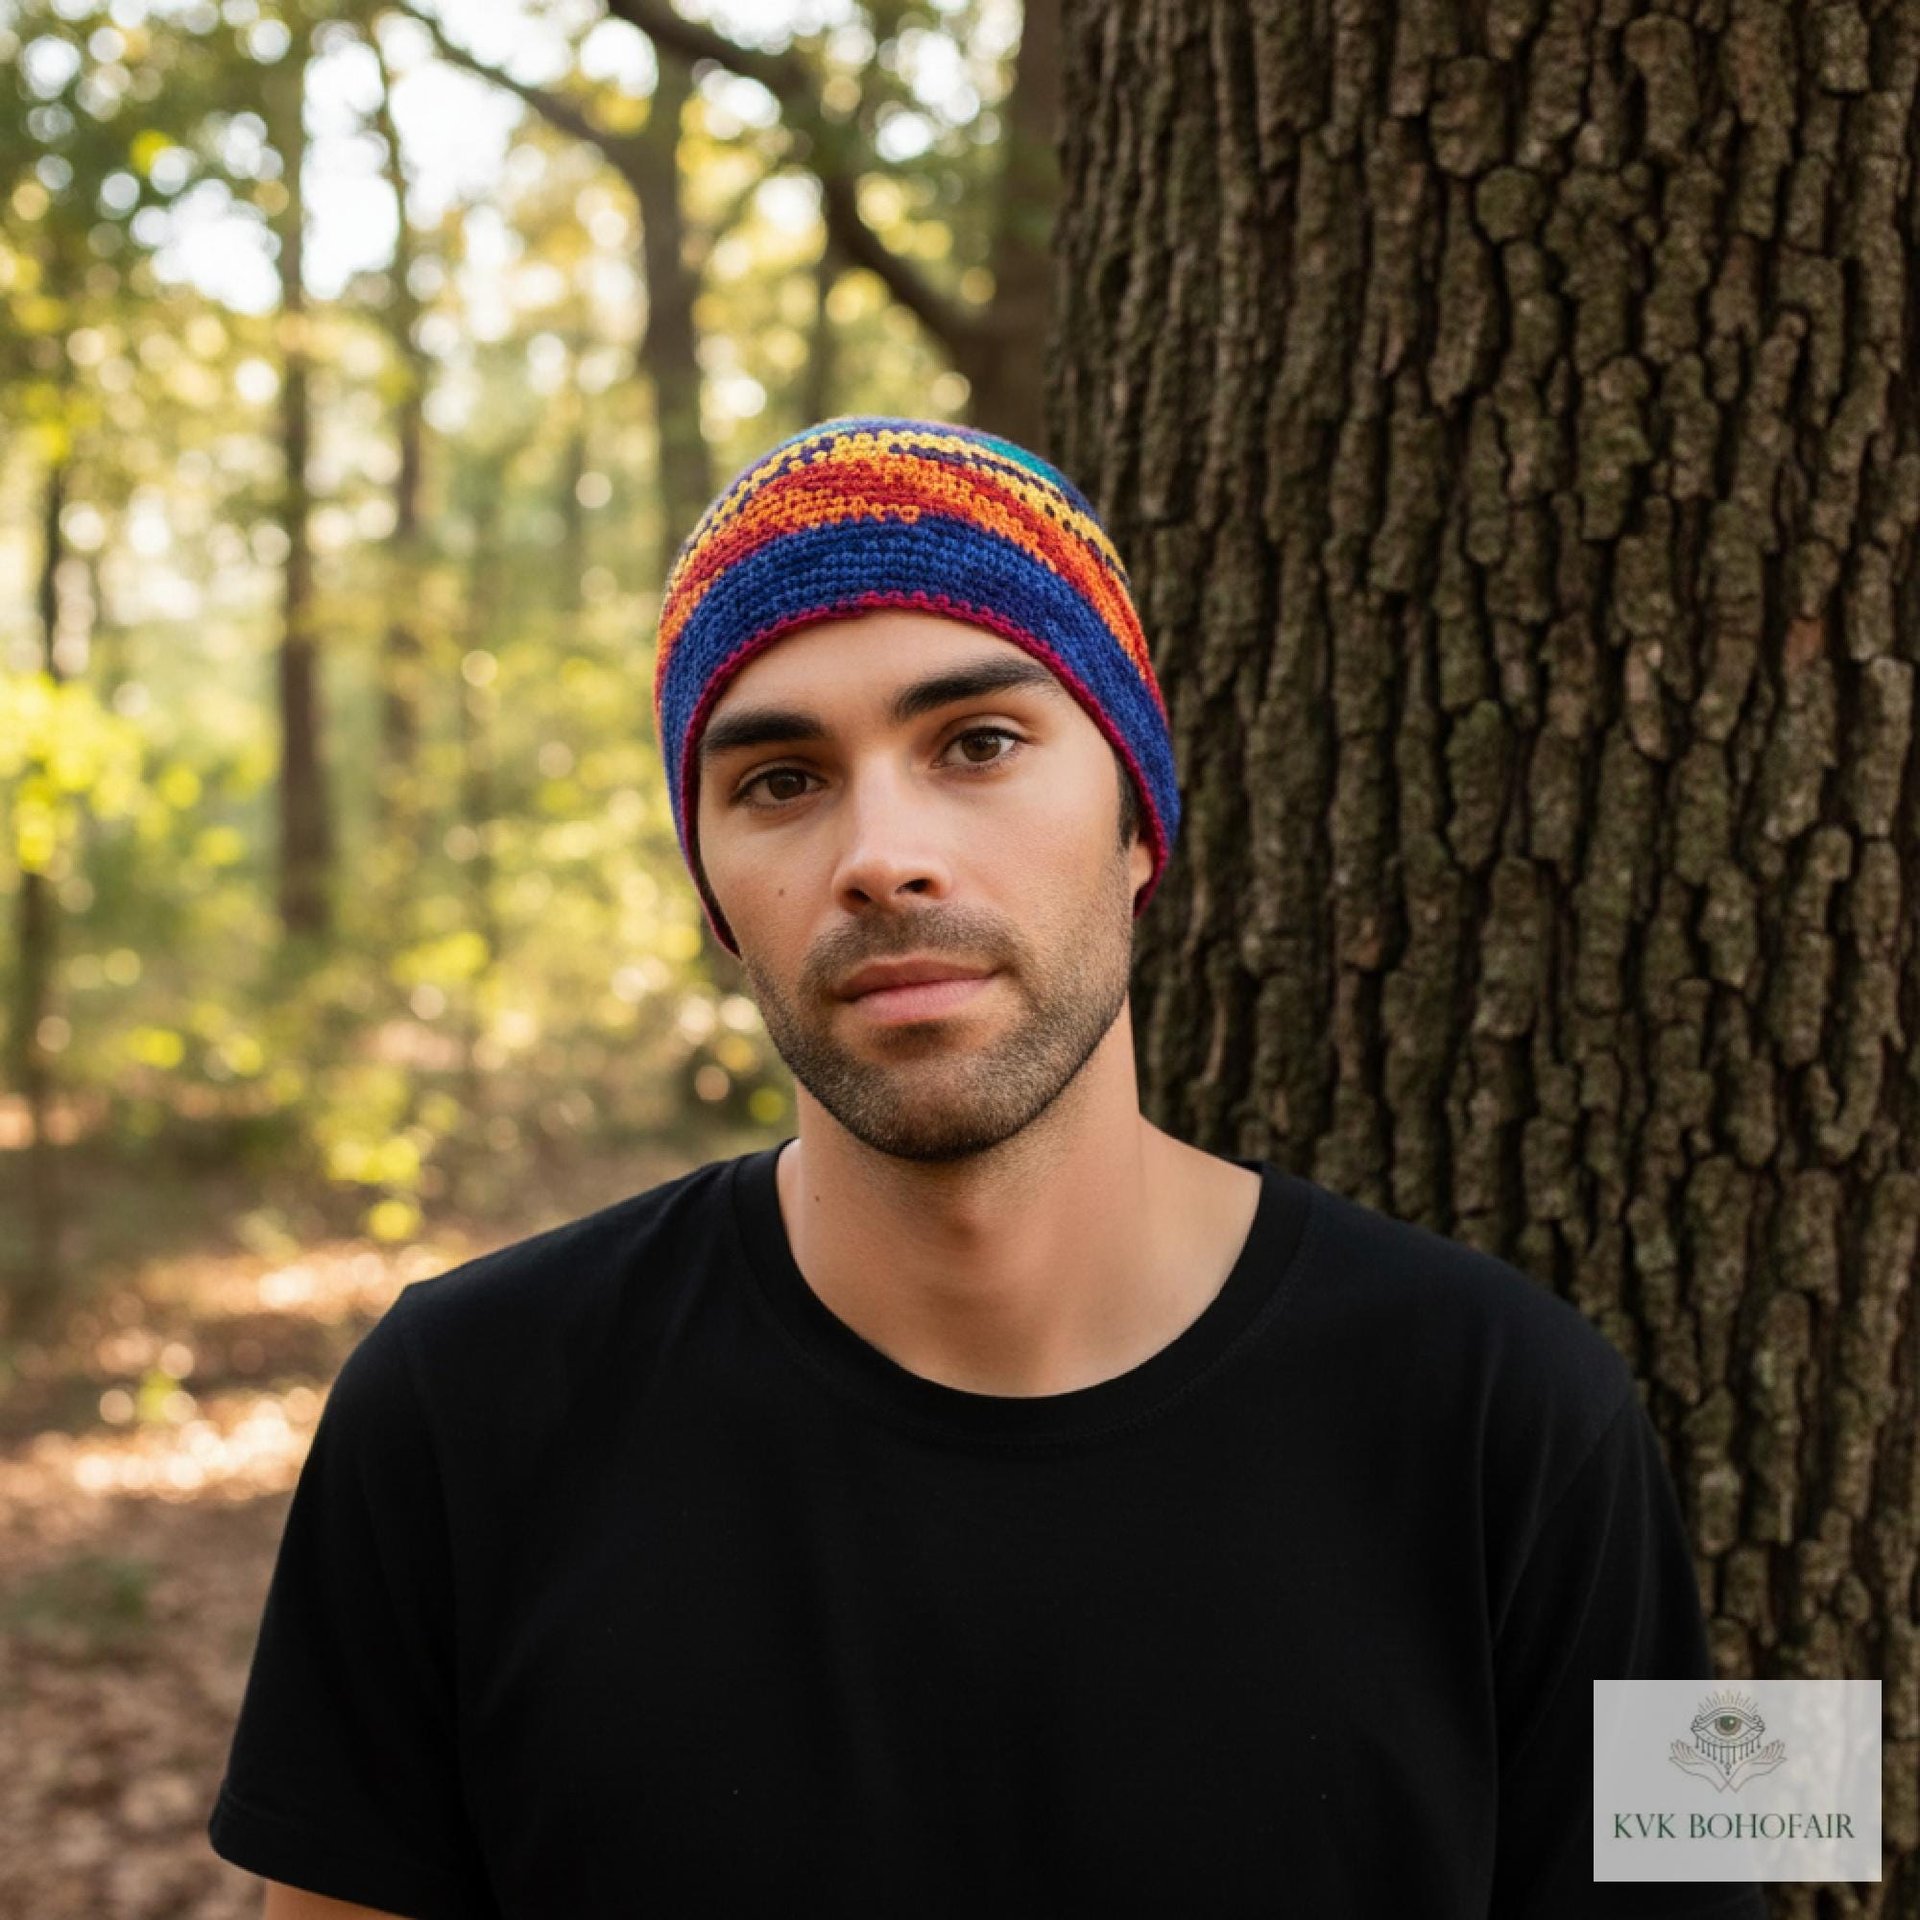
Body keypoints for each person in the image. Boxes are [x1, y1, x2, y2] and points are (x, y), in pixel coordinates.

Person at [208, 418, 1767, 1919]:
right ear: (714, 895)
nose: (883, 853)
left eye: (982, 742)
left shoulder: (1527, 1410)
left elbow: (1719, 1858)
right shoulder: (452, 1413)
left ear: (1140, 824)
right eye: (780, 780)